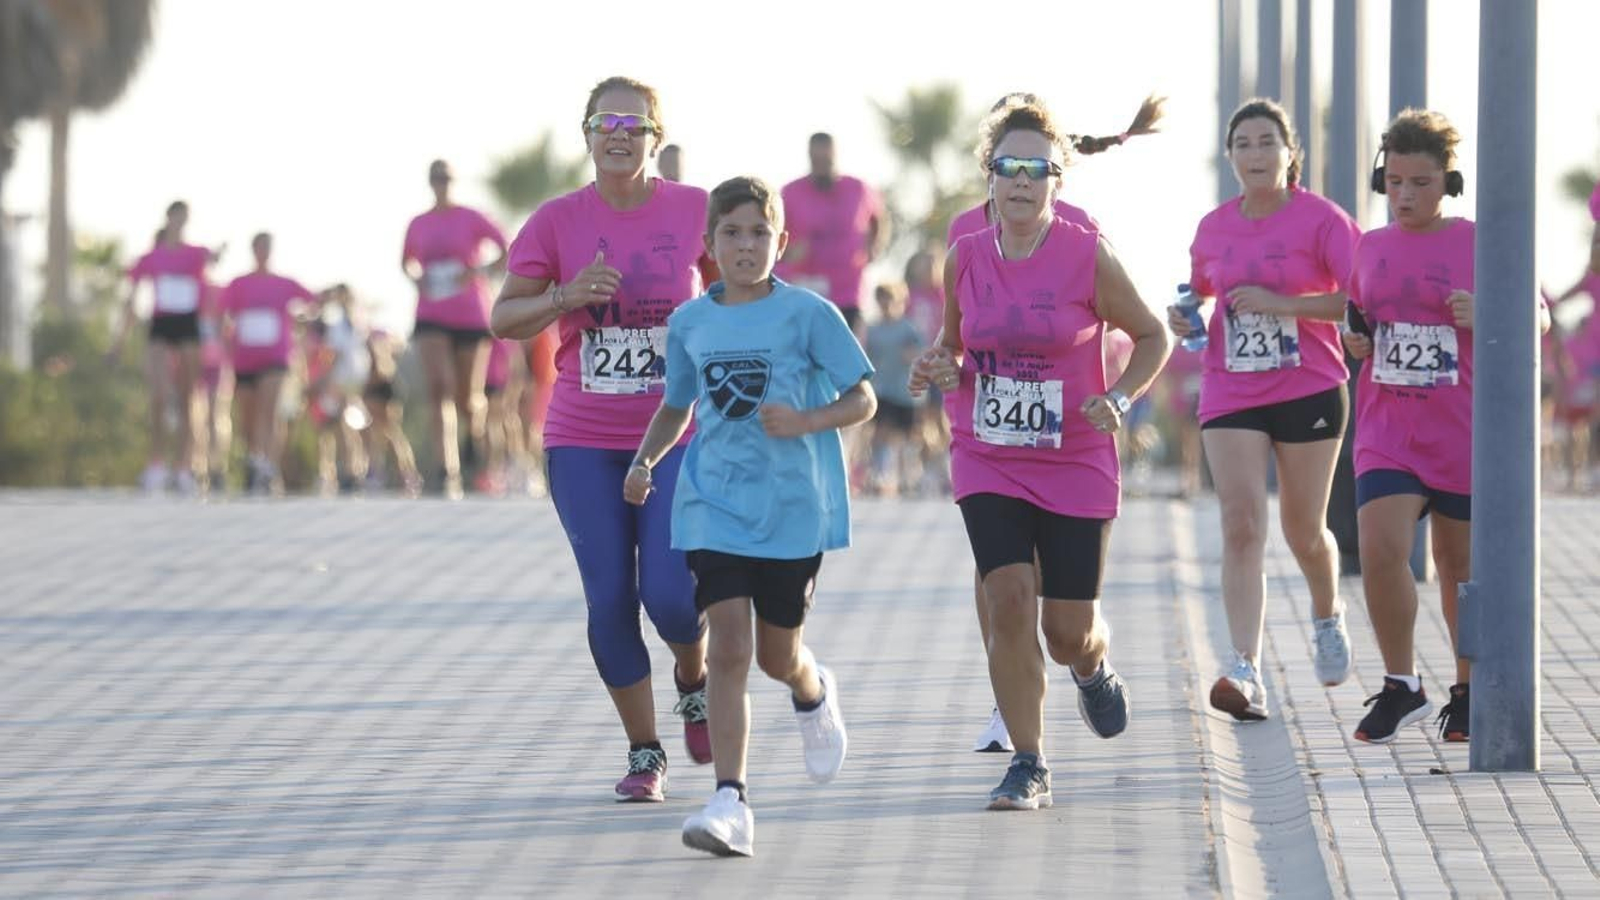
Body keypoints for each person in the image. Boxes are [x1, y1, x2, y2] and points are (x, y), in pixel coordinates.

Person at [911, 96, 1171, 810]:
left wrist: (1120, 398)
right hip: (988, 454)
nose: (1021, 181)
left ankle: (1092, 664)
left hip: (1075, 458)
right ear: (989, 176)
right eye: (1008, 168)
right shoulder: (964, 256)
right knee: (1007, 599)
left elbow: (1154, 335)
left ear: (1058, 179)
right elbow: (954, 347)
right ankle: (1029, 761)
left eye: (1037, 169)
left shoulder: (1087, 254)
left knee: (1065, 631)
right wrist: (937, 367)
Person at [624, 175, 872, 857]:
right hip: (714, 505)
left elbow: (863, 398)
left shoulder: (809, 314)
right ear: (709, 245)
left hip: (791, 511)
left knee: (776, 656)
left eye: (759, 232)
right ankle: (730, 800)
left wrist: (807, 420)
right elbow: (676, 405)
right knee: (729, 647)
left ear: (780, 242)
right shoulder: (690, 322)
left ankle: (811, 690)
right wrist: (644, 462)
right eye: (731, 233)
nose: (745, 245)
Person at [492, 76, 712, 803]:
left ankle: (693, 678)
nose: (619, 135)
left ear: (657, 136)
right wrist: (565, 296)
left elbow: (745, 289)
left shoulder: (696, 210)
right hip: (583, 438)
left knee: (671, 596)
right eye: (604, 123)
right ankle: (646, 750)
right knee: (610, 597)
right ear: (586, 135)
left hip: (675, 434)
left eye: (633, 124)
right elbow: (503, 317)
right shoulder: (556, 222)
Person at [1343, 110, 1550, 744]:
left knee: (1458, 568)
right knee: (1380, 549)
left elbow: (1539, 318)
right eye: (1394, 182)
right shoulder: (1370, 247)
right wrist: (1356, 340)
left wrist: (1490, 310)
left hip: (1462, 432)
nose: (1405, 195)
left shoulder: (1480, 242)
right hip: (1387, 430)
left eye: (1421, 183)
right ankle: (1401, 683)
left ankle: (1466, 692)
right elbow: (1357, 317)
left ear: (1448, 182)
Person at [1167, 98, 1359, 722]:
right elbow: (1199, 294)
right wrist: (1185, 317)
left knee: (1304, 530)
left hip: (1309, 385)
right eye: (1243, 144)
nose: (1255, 153)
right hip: (1232, 386)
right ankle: (1245, 668)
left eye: (1266, 141)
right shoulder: (1213, 228)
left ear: (1289, 153)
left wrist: (1284, 305)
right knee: (1242, 523)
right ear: (1230, 157)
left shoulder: (1322, 220)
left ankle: (1327, 614)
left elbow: (1360, 299)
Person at [402, 159, 509, 497]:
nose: (441, 184)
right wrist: (416, 279)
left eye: (446, 178)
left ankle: (474, 439)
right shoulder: (418, 223)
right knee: (439, 388)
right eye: (436, 178)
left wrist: (478, 272)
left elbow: (506, 247)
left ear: (453, 182)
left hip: (470, 315)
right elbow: (406, 262)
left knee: (468, 398)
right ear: (429, 182)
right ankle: (446, 467)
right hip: (431, 311)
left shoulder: (471, 217)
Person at [114, 202, 211, 495]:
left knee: (187, 398)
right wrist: (118, 342)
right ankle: (156, 463)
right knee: (158, 395)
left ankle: (183, 466)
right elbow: (131, 299)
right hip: (161, 324)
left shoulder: (196, 254)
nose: (179, 223)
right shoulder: (151, 257)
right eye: (176, 217)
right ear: (168, 218)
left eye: (184, 218)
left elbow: (209, 289)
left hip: (187, 324)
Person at [220, 232, 317, 495]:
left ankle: (269, 466)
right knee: (248, 418)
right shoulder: (238, 284)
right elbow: (222, 316)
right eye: (259, 247)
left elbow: (313, 302)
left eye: (266, 247)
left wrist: (302, 325)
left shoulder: (285, 284)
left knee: (269, 410)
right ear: (253, 250)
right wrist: (225, 345)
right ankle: (255, 460)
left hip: (276, 357)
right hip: (244, 359)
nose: (262, 252)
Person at [775, 133, 887, 334]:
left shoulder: (858, 189)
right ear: (809, 157)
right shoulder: (790, 192)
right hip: (805, 289)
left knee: (847, 348)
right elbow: (771, 234)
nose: (821, 166)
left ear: (835, 155)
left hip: (848, 291)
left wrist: (874, 247)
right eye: (816, 160)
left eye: (826, 159)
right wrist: (788, 253)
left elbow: (879, 217)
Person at [864, 283, 924, 496]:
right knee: (881, 432)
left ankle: (910, 477)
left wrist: (912, 354)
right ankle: (879, 475)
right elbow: (866, 356)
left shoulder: (908, 328)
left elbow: (920, 352)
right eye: (882, 300)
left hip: (906, 391)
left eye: (890, 300)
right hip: (882, 388)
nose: (886, 305)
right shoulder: (873, 329)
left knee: (909, 436)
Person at [361, 326, 423, 495]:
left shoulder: (373, 340)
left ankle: (401, 474)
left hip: (380, 391)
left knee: (389, 434)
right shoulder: (384, 339)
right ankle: (406, 474)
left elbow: (382, 370)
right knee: (390, 434)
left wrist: (365, 388)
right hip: (387, 389)